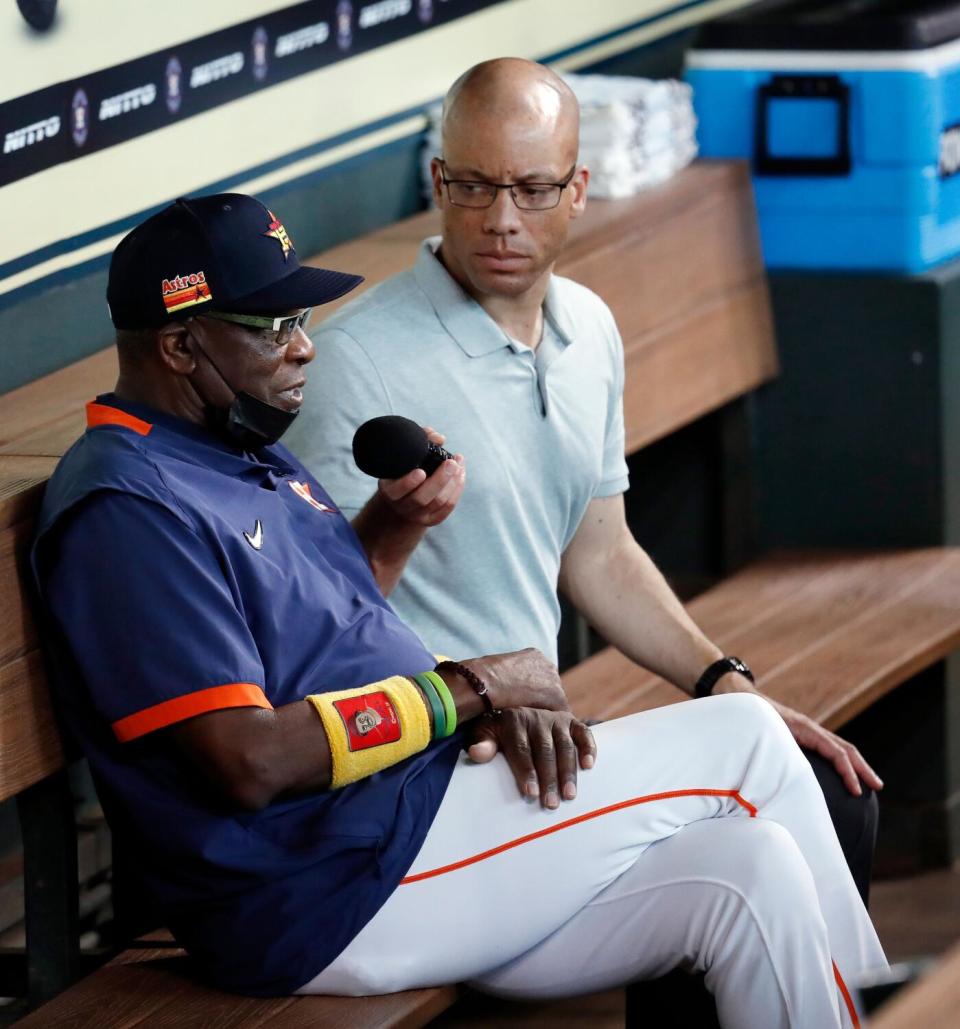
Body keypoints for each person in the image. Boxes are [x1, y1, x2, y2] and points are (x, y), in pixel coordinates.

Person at [32, 192, 886, 1029]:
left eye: (300, 323)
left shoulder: (227, 445)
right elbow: (247, 760)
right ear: (181, 344)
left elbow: (322, 635)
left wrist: (394, 528)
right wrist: (472, 687)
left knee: (751, 869)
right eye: (272, 329)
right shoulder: (128, 508)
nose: (302, 350)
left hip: (406, 823)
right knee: (745, 737)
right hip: (323, 886)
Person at [284, 58, 882, 904]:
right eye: (474, 186)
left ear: (578, 191)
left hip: (552, 740)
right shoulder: (358, 363)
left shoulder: (589, 327)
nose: (500, 220)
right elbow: (322, 627)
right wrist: (476, 696)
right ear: (436, 181)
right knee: (772, 831)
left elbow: (599, 552)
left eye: (532, 189)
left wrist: (731, 691)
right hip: (448, 760)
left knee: (817, 793)